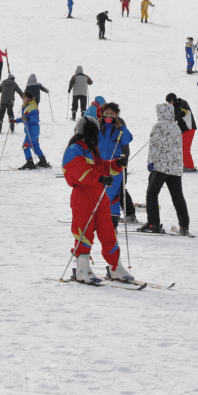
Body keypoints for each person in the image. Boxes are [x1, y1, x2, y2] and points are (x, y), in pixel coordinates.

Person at [62, 118, 132, 284]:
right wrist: (99, 178)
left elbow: (102, 167)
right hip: (83, 197)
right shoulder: (75, 149)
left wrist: (116, 164)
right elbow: (76, 171)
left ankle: (115, 266)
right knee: (84, 232)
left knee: (108, 232)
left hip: (100, 198)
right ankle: (82, 267)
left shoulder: (92, 150)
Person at [140, 103, 189, 234]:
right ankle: (184, 225)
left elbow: (155, 145)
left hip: (161, 167)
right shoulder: (176, 127)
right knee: (178, 197)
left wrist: (151, 161)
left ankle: (153, 223)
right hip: (176, 168)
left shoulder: (158, 126)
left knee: (152, 194)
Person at [98, 102, 136, 226]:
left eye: (112, 114)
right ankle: (99, 217)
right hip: (100, 166)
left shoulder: (119, 127)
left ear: (116, 115)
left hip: (115, 167)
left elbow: (127, 140)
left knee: (114, 194)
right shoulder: (98, 126)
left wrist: (121, 127)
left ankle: (112, 224)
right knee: (99, 192)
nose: (109, 116)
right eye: (106, 113)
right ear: (102, 114)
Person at [166, 93, 198, 172]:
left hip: (189, 128)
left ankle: (190, 167)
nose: (169, 104)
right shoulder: (174, 107)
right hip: (184, 129)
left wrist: (174, 118)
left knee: (185, 148)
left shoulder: (182, 103)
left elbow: (184, 112)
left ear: (172, 100)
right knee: (181, 147)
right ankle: (186, 164)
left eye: (169, 102)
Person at [18, 92, 50, 169]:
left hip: (32, 129)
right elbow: (24, 118)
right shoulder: (27, 106)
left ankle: (30, 162)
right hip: (32, 129)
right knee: (35, 146)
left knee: (25, 146)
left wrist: (28, 118)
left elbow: (35, 118)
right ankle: (43, 161)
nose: (23, 100)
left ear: (28, 98)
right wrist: (15, 121)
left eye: (24, 98)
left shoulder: (31, 106)